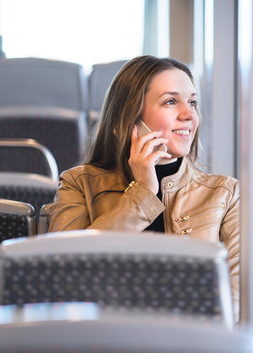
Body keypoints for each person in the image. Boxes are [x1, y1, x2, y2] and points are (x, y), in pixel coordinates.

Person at [48, 55, 240, 319]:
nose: (189, 115)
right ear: (127, 122)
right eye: (171, 102)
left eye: (193, 102)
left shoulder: (226, 193)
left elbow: (236, 302)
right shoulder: (78, 183)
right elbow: (60, 275)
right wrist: (142, 193)